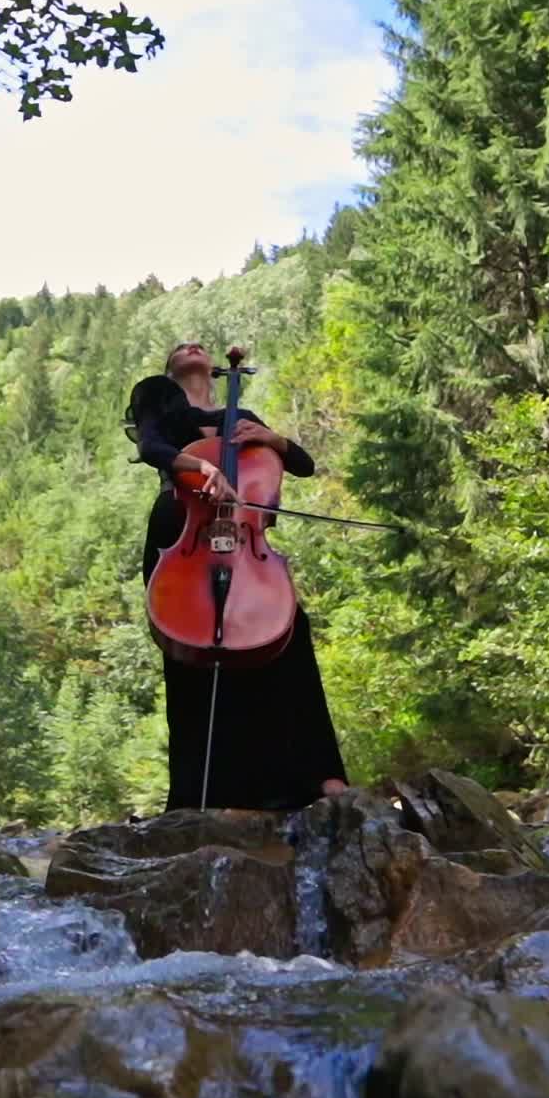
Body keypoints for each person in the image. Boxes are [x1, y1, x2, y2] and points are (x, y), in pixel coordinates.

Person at [126, 341, 348, 811]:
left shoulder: (240, 416)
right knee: (190, 652)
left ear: (214, 366)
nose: (192, 347)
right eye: (180, 347)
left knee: (289, 635)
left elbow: (302, 465)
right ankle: (197, 793)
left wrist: (275, 442)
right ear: (170, 367)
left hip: (244, 542)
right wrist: (202, 464)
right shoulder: (158, 397)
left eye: (199, 345)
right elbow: (152, 447)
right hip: (183, 528)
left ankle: (318, 777)